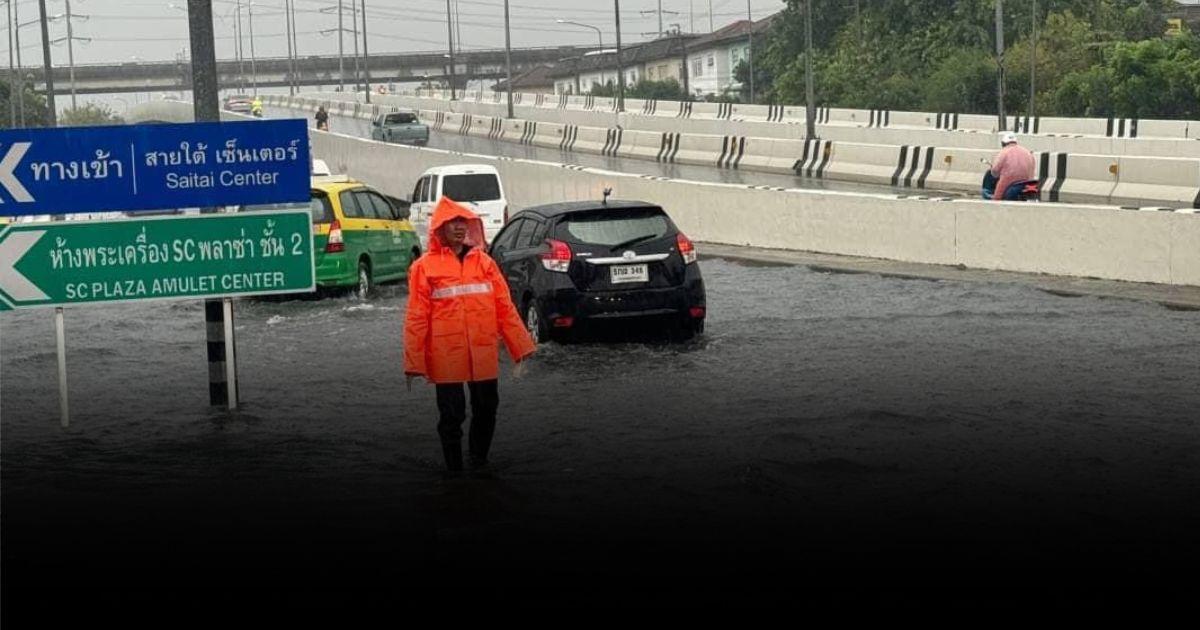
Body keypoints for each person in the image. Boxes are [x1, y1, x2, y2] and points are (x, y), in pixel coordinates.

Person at [403, 197, 536, 475]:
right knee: (452, 414)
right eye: (452, 223)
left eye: (463, 222)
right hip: (446, 352)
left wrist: (520, 346)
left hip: (482, 349)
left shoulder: (484, 263)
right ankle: (454, 470)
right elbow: (416, 318)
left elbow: (504, 307)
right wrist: (414, 363)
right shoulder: (424, 268)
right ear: (439, 228)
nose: (459, 227)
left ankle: (478, 460)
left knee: (487, 408)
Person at [989, 131, 1036, 201]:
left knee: (996, 199)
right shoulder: (1027, 152)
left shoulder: (1004, 152)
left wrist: (994, 173)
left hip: (1010, 183)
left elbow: (995, 171)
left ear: (1003, 143)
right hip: (1028, 184)